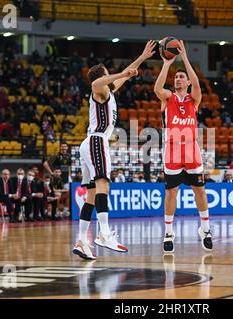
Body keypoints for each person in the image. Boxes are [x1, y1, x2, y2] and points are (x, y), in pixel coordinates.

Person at [73, 40, 156, 260]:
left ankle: (81, 241)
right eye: (108, 75)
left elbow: (125, 76)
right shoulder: (97, 88)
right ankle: (104, 234)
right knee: (103, 184)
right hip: (97, 141)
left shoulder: (107, 91)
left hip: (89, 144)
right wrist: (120, 72)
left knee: (91, 195)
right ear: (102, 76)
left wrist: (142, 57)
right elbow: (102, 81)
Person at [154, 40, 213, 254]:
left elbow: (197, 83)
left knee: (200, 190)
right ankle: (169, 232)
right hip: (172, 151)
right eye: (176, 78)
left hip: (191, 150)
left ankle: (205, 229)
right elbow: (157, 88)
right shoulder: (167, 97)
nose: (178, 79)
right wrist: (167, 63)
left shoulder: (193, 99)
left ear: (187, 82)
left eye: (181, 77)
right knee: (171, 193)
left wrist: (185, 58)